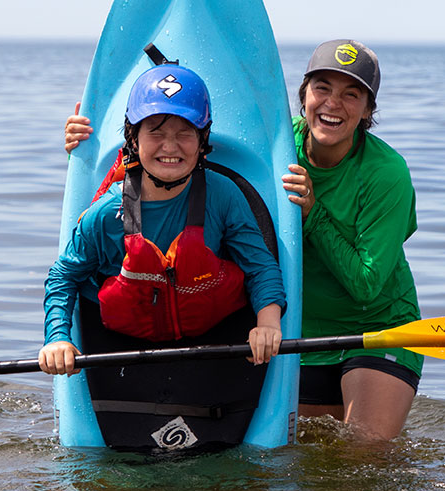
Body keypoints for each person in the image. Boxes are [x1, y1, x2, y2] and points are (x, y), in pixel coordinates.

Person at [63, 41, 421, 441]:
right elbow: (176, 139)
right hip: (297, 331)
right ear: (303, 95)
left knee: (363, 449)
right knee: (299, 461)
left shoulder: (386, 174)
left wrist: (313, 215)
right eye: (322, 88)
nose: (332, 104)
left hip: (372, 330)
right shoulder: (273, 148)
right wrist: (87, 146)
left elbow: (366, 287)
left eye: (351, 94)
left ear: (369, 110)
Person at [41, 63, 285, 377]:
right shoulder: (107, 213)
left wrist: (267, 324)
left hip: (214, 340)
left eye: (185, 133)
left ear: (202, 140)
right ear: (133, 138)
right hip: (122, 346)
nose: (170, 146)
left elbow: (260, 265)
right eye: (156, 132)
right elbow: (64, 277)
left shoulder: (224, 196)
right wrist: (58, 338)